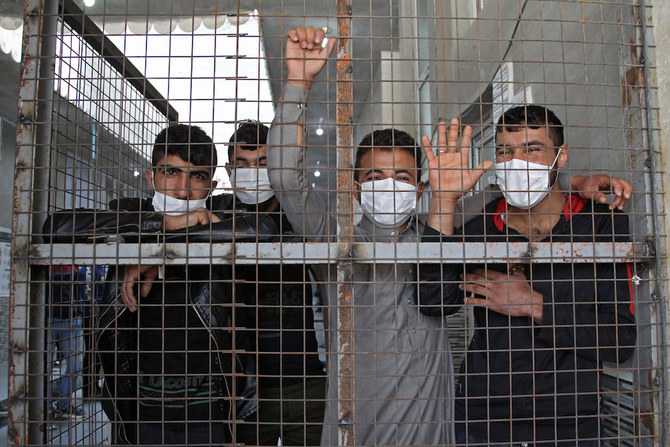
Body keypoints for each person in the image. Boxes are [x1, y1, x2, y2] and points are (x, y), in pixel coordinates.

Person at [267, 26, 463, 446]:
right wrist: (297, 83)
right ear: (356, 187)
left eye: (402, 177)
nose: (389, 187)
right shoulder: (333, 241)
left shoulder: (439, 237)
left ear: (421, 189)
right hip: (357, 430)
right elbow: (285, 177)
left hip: (428, 430)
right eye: (375, 177)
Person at [419, 105, 637, 446]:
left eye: (532, 149)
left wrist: (532, 304)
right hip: (483, 424)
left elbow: (620, 339)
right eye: (505, 151)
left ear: (560, 156)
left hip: (571, 426)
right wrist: (444, 200)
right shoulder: (479, 230)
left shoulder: (600, 223)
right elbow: (432, 301)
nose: (516, 162)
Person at [44, 124, 276, 445]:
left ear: (211, 186)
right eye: (171, 172)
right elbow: (55, 227)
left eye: (196, 177)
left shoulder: (223, 218)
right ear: (151, 177)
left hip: (211, 411)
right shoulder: (130, 214)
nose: (182, 190)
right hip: (138, 410)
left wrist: (165, 250)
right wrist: (162, 230)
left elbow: (263, 230)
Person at [226, 121, 326, 446]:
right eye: (242, 165)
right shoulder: (214, 218)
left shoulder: (301, 217)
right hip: (245, 388)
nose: (252, 173)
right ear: (229, 170)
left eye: (263, 163)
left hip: (307, 381)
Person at [46, 265, 86, 419]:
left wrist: (79, 311)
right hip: (48, 319)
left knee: (75, 365)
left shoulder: (75, 267)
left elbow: (80, 291)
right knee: (45, 367)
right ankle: (46, 407)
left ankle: (64, 404)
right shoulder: (45, 264)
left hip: (71, 319)